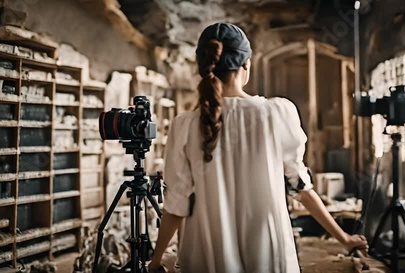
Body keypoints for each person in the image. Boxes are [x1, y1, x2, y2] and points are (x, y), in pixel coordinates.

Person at [148, 23, 367, 273]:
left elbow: (176, 203)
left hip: (206, 259)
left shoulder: (184, 126)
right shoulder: (277, 114)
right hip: (268, 259)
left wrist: (155, 260)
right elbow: (301, 188)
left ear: (203, 66)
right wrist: (344, 238)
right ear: (246, 65)